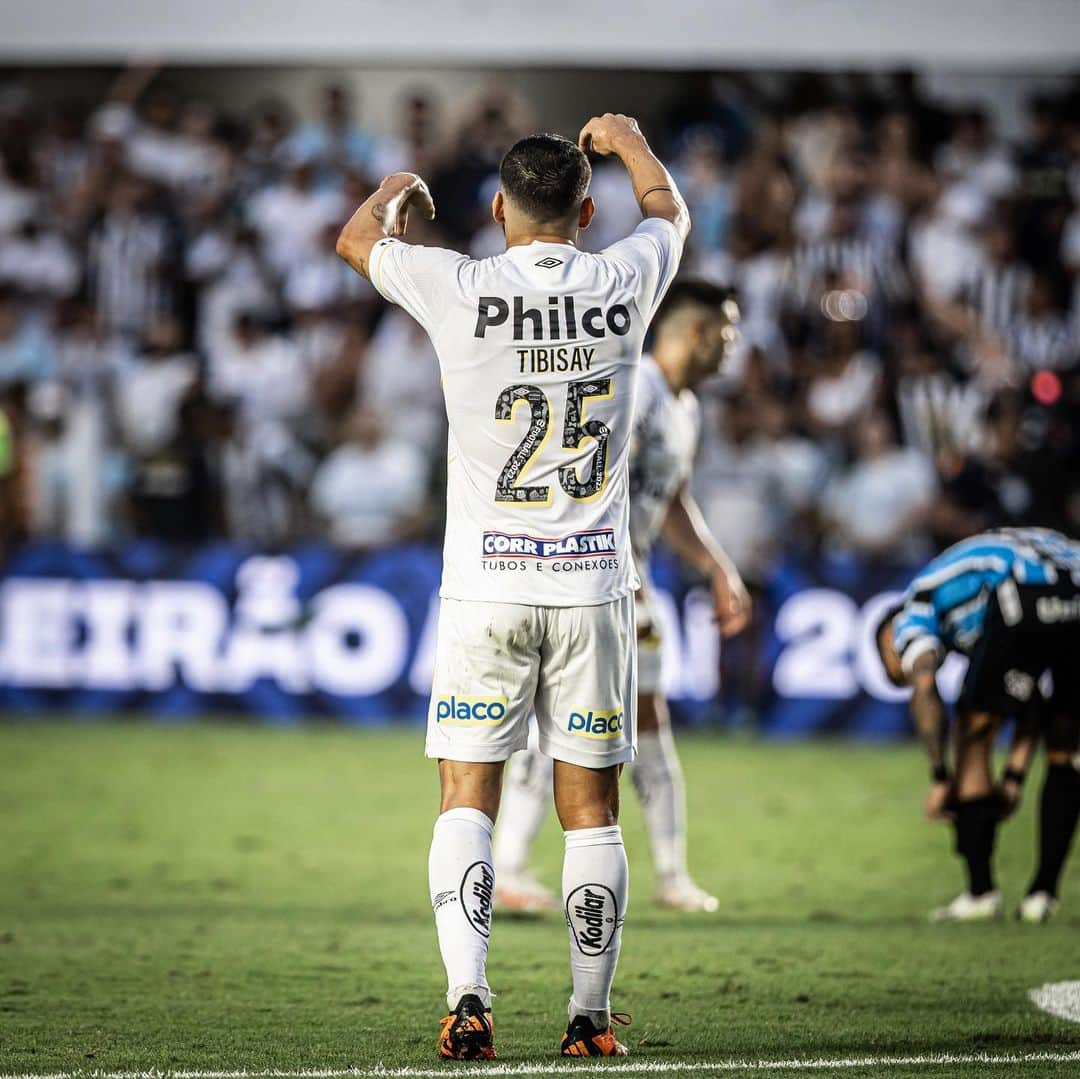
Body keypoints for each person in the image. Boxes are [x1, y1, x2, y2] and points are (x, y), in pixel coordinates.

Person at [336, 114, 688, 1059]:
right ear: (585, 208)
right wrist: (631, 140)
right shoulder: (626, 277)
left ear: (497, 210)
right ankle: (587, 1021)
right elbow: (669, 210)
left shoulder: (460, 284)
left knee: (466, 797)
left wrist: (399, 187)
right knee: (591, 812)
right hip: (592, 594)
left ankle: (469, 999)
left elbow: (356, 241)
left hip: (486, 589)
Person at [492, 280, 750, 914]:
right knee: (563, 723)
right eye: (726, 332)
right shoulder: (631, 389)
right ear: (695, 333)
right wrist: (602, 579)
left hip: (632, 580)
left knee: (647, 721)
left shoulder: (685, 406)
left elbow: (673, 498)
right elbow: (587, 480)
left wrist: (717, 567)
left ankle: (669, 876)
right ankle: (509, 867)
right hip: (591, 584)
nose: (733, 345)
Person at [875, 527, 1080, 923]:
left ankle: (980, 893)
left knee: (971, 732)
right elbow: (1030, 699)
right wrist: (1015, 777)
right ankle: (1042, 896)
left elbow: (923, 685)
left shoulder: (914, 607)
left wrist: (939, 777)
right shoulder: (968, 613)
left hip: (1022, 590)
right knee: (1067, 748)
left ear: (887, 638)